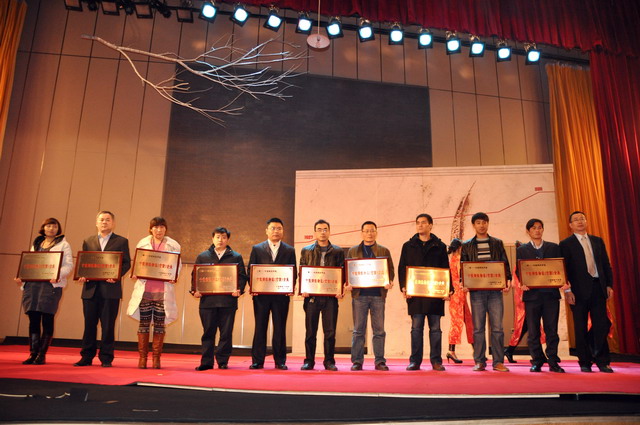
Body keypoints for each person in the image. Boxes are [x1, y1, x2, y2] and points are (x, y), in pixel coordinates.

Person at [75, 211, 131, 368]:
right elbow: (84, 262)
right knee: (89, 325)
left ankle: (106, 357)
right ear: (96, 223)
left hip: (110, 290)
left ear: (113, 223)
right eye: (101, 220)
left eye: (107, 220)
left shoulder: (121, 241)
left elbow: (126, 263)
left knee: (108, 326)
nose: (104, 222)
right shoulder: (88, 241)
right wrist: (82, 275)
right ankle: (86, 356)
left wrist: (116, 276)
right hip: (90, 290)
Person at [560, 211, 614, 373]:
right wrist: (568, 290)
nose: (580, 222)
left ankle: (602, 360)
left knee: (601, 325)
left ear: (586, 221)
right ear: (570, 225)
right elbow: (563, 270)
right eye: (576, 220)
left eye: (582, 219)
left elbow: (606, 264)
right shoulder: (566, 244)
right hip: (577, 291)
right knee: (580, 327)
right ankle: (584, 361)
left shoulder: (597, 241)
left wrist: (609, 285)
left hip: (598, 288)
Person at [15, 218, 73, 365]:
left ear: (58, 229)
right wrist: (22, 276)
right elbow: (29, 263)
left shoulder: (64, 244)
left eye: (54, 226)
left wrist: (57, 275)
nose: (51, 228)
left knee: (47, 318)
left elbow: (68, 265)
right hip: (32, 285)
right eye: (48, 226)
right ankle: (33, 353)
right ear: (43, 228)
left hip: (50, 286)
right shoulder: (37, 243)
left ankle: (42, 354)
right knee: (33, 319)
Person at [398, 214, 452, 371]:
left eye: (423, 223)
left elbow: (445, 269)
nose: (420, 225)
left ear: (430, 225)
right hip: (415, 295)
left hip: (434, 295)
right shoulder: (408, 246)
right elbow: (402, 268)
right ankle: (415, 361)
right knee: (416, 329)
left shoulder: (440, 246)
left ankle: (436, 361)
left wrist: (448, 289)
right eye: (418, 223)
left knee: (435, 329)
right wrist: (404, 287)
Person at [127, 217, 181, 369]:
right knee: (143, 324)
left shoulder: (173, 245)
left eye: (162, 227)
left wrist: (174, 276)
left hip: (162, 291)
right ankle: (142, 358)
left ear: (166, 229)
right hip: (145, 290)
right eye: (156, 227)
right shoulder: (142, 243)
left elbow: (177, 265)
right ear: (150, 229)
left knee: (159, 325)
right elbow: (138, 262)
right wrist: (135, 272)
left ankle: (156, 358)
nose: (159, 230)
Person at [460, 212, 511, 372]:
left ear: (488, 224)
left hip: (495, 291)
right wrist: (464, 282)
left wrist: (507, 280)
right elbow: (464, 266)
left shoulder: (497, 243)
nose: (481, 225)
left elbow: (504, 263)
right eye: (478, 223)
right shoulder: (467, 245)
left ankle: (498, 362)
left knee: (497, 328)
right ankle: (479, 361)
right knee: (478, 328)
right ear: (473, 225)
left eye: (484, 222)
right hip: (476, 292)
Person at [191, 227, 247, 371]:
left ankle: (223, 361)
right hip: (207, 302)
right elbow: (195, 276)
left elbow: (242, 276)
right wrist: (195, 290)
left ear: (228, 239)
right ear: (212, 238)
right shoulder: (203, 256)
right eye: (217, 237)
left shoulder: (236, 257)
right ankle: (206, 362)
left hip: (228, 302)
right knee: (208, 333)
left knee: (226, 333)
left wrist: (239, 290)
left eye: (223, 237)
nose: (220, 240)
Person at [515, 219, 565, 373]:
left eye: (539, 228)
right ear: (528, 231)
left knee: (552, 330)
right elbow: (519, 270)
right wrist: (522, 282)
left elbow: (560, 267)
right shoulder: (522, 250)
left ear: (543, 230)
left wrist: (562, 281)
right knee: (533, 331)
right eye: (533, 228)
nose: (537, 230)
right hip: (532, 296)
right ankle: (537, 360)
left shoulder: (554, 247)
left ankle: (553, 361)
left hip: (551, 295)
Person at [248, 218, 297, 370]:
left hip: (281, 296)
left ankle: (280, 361)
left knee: (280, 328)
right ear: (267, 231)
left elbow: (293, 271)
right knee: (260, 327)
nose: (276, 231)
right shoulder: (257, 249)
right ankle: (257, 361)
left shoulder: (289, 250)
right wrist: (254, 287)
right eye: (273, 228)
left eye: (279, 228)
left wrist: (290, 287)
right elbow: (251, 270)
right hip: (261, 296)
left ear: (283, 231)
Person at [346, 221, 395, 371]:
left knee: (379, 330)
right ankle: (357, 361)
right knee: (358, 330)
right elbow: (348, 271)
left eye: (372, 230)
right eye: (366, 231)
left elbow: (390, 270)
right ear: (362, 233)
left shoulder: (384, 250)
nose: (369, 233)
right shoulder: (353, 251)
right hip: (359, 296)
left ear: (376, 232)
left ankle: (380, 361)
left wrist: (389, 281)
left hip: (378, 296)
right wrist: (348, 283)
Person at [299, 219, 345, 371]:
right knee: (310, 332)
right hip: (311, 297)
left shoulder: (338, 251)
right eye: (319, 229)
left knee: (330, 332)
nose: (322, 232)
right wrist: (303, 288)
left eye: (325, 229)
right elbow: (302, 271)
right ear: (315, 232)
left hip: (331, 298)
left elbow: (342, 273)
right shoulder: (306, 250)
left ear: (329, 232)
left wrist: (340, 290)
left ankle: (329, 361)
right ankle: (309, 361)